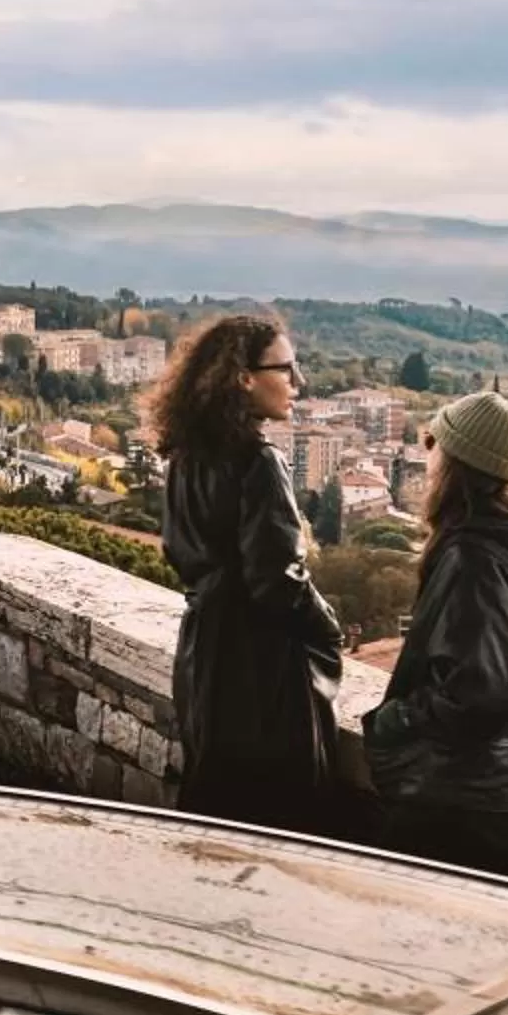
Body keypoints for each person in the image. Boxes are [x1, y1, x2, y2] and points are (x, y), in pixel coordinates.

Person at [362, 391, 508, 880]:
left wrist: (394, 720)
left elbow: (484, 689)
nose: (428, 455)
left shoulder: (477, 558)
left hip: (462, 805)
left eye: (434, 443)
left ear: (458, 461)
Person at [151, 314, 347, 832]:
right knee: (274, 822)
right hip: (257, 670)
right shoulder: (259, 461)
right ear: (243, 377)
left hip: (202, 655)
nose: (297, 383)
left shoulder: (186, 454)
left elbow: (180, 551)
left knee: (214, 812)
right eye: (284, 369)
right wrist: (327, 626)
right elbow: (276, 580)